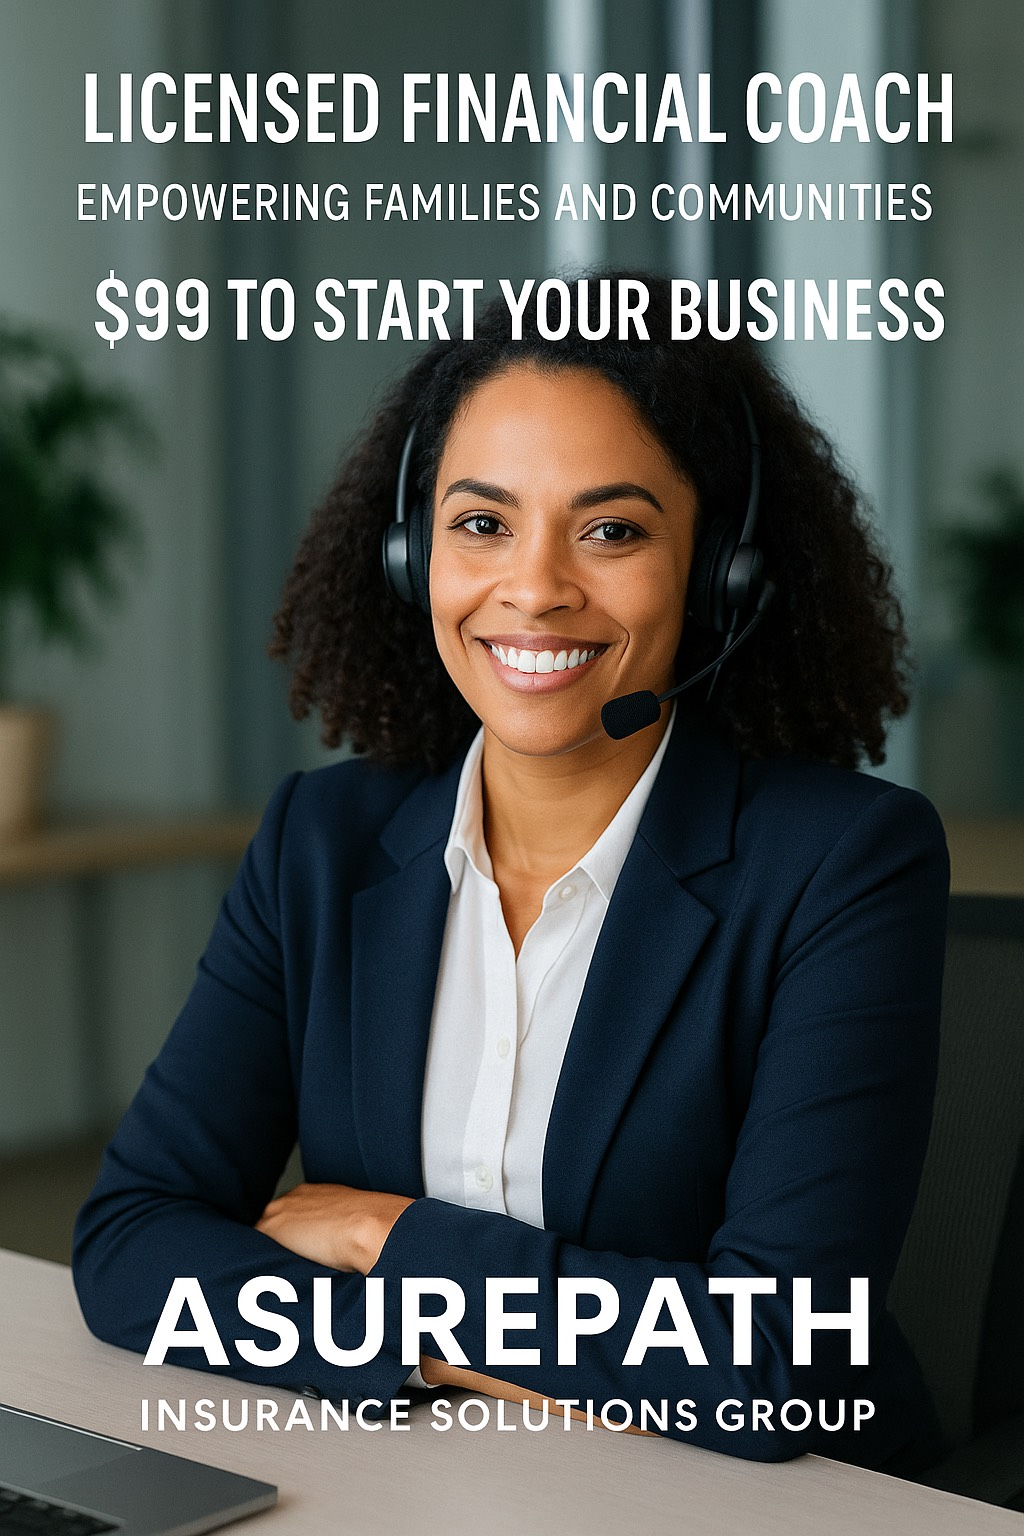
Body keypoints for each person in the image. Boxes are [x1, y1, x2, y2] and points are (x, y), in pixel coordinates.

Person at [73, 274, 949, 1472]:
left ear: (716, 575)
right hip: (413, 1481)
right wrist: (456, 1350)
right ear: (407, 556)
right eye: (481, 523)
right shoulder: (320, 842)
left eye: (613, 530)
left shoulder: (843, 863)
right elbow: (132, 1244)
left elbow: (773, 1360)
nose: (533, 588)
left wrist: (394, 1243)